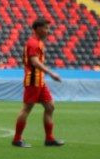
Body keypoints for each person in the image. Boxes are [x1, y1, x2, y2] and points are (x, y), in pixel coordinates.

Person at [12, 18, 64, 148]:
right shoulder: (33, 43)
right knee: (27, 108)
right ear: (38, 29)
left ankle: (49, 138)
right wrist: (51, 73)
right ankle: (17, 139)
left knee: (50, 107)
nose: (48, 31)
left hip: (40, 80)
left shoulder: (38, 42)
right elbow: (34, 62)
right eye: (45, 28)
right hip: (33, 80)